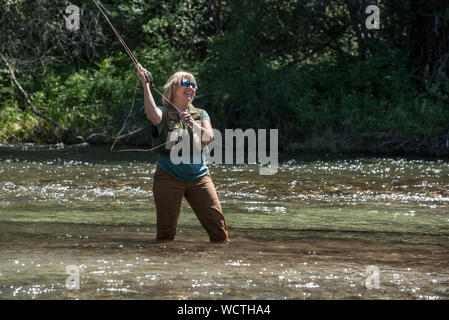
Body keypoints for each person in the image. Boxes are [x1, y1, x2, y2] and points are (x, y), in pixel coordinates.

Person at [136, 64, 229, 243]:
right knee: (166, 233)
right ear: (173, 88)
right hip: (168, 177)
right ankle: (168, 266)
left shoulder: (201, 114)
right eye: (186, 83)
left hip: (200, 177)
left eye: (194, 85)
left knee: (219, 231)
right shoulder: (163, 113)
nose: (191, 87)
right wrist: (145, 84)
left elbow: (209, 137)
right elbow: (153, 116)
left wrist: (192, 123)